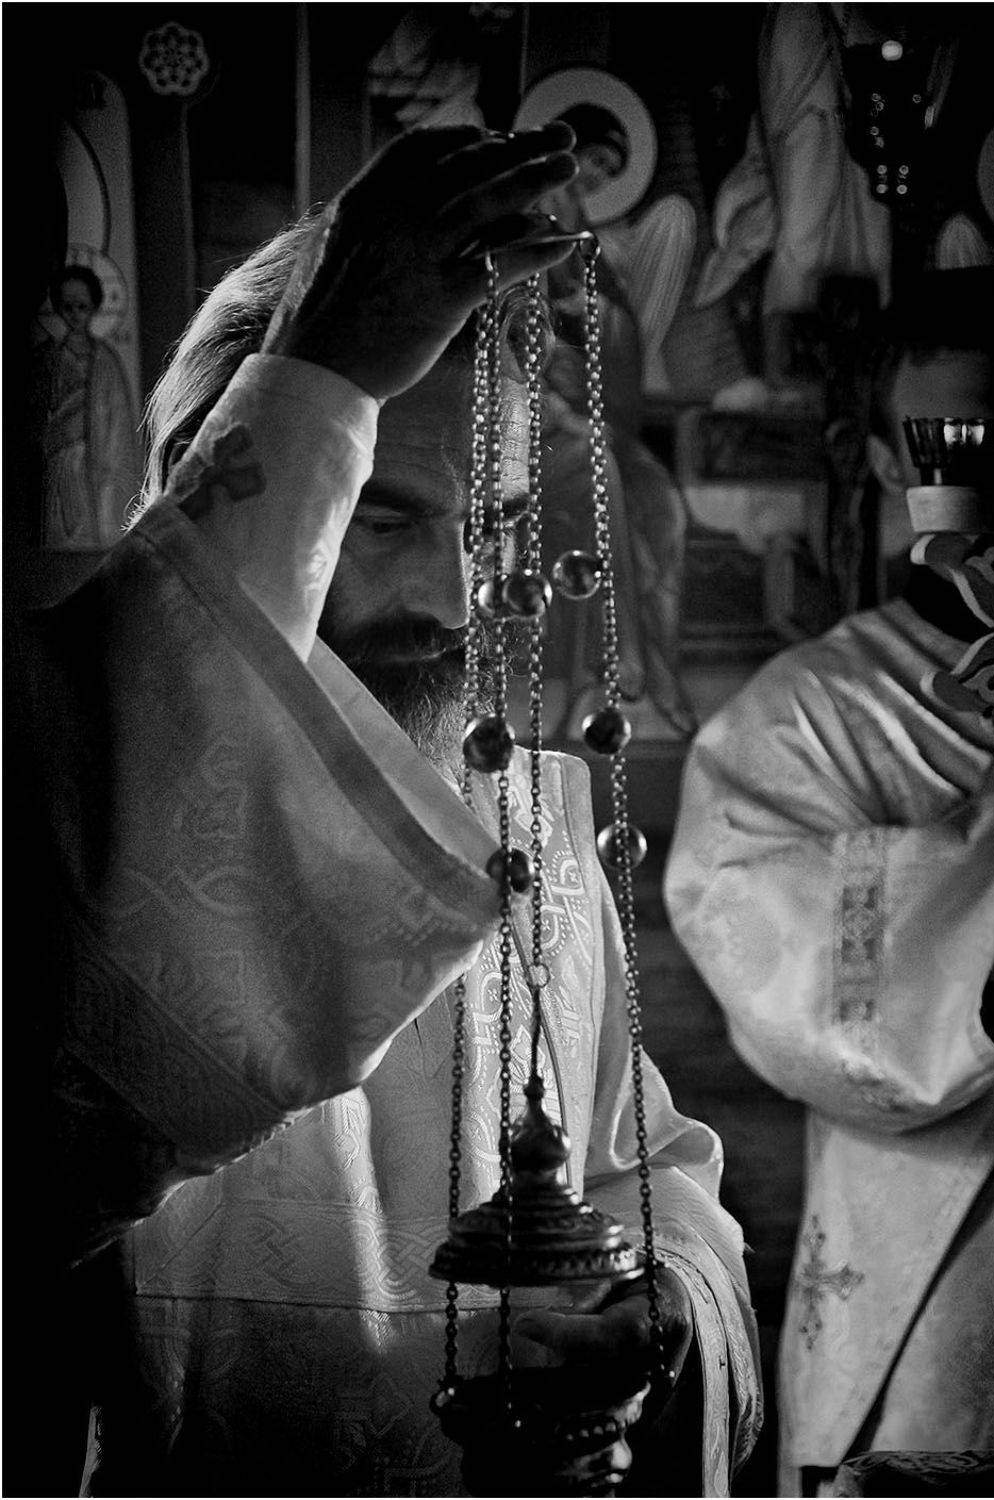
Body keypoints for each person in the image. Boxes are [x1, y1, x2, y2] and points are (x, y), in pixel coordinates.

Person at [14, 124, 761, 1496]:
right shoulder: (66, 800)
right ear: (227, 496)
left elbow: (635, 1163)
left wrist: (654, 1304)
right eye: (376, 515)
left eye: (491, 529)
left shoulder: (537, 816)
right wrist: (322, 363)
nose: (454, 601)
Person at [663, 273, 994, 1494]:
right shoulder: (802, 719)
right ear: (879, 458)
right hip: (932, 1310)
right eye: (950, 443)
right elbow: (803, 1002)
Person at [538, 101, 698, 739]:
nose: (598, 177)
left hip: (591, 422)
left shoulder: (585, 239)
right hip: (530, 431)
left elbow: (610, 321)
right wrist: (562, 411)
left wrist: (599, 314)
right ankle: (616, 667)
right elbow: (504, 347)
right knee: (601, 478)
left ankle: (657, 670)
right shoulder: (524, 224)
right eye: (595, 159)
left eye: (609, 169)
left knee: (661, 502)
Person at [30, 263, 141, 549]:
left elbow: (119, 426)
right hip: (59, 467)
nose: (75, 315)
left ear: (93, 307)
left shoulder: (106, 361)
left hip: (95, 468)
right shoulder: (48, 359)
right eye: (68, 308)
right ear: (58, 309)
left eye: (82, 307)